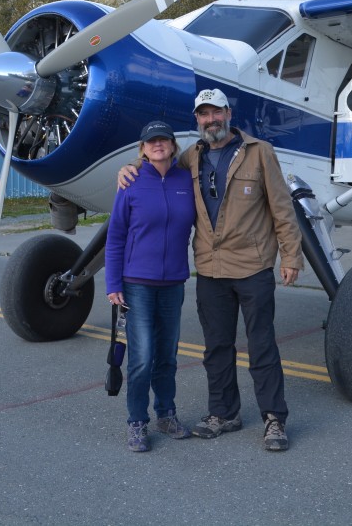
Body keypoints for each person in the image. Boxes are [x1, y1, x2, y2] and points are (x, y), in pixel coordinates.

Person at [119, 89, 303, 451]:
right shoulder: (192, 156)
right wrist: (132, 166)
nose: (210, 120)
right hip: (210, 269)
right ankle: (224, 413)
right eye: (203, 115)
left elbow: (283, 209)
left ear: (228, 113)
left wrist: (291, 257)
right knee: (217, 348)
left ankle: (274, 419)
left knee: (261, 346)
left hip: (252, 267)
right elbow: (158, 163)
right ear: (198, 120)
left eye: (215, 112)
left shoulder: (260, 152)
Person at [105, 120, 196, 452]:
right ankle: (136, 423)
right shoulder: (130, 182)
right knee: (142, 357)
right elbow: (115, 237)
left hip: (173, 283)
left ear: (172, 146)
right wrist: (113, 283)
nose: (158, 145)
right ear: (142, 149)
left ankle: (166, 414)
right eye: (151, 141)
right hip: (137, 284)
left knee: (167, 356)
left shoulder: (186, 181)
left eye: (163, 140)